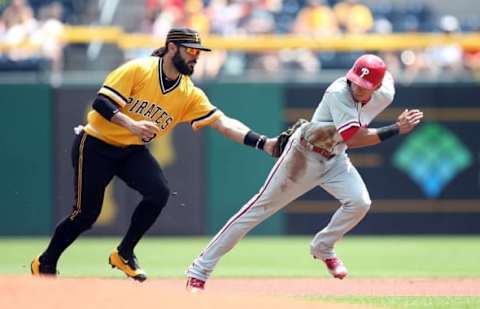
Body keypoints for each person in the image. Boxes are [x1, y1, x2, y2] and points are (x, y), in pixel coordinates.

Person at [31, 27, 276, 281]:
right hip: (95, 144)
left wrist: (264, 143)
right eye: (191, 50)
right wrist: (132, 125)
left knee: (158, 192)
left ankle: (124, 252)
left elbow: (223, 123)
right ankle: (45, 262)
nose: (196, 57)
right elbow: (101, 103)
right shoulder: (139, 69)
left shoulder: (188, 93)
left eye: (199, 53)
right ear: (171, 47)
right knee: (85, 215)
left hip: (131, 151)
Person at [185, 54, 424, 291]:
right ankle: (200, 269)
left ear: (378, 86)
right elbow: (353, 138)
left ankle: (323, 246)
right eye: (355, 81)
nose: (357, 88)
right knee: (256, 210)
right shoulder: (338, 92)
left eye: (364, 86)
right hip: (303, 156)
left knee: (360, 202)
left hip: (336, 158)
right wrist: (396, 128)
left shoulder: (386, 92)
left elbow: (390, 72)